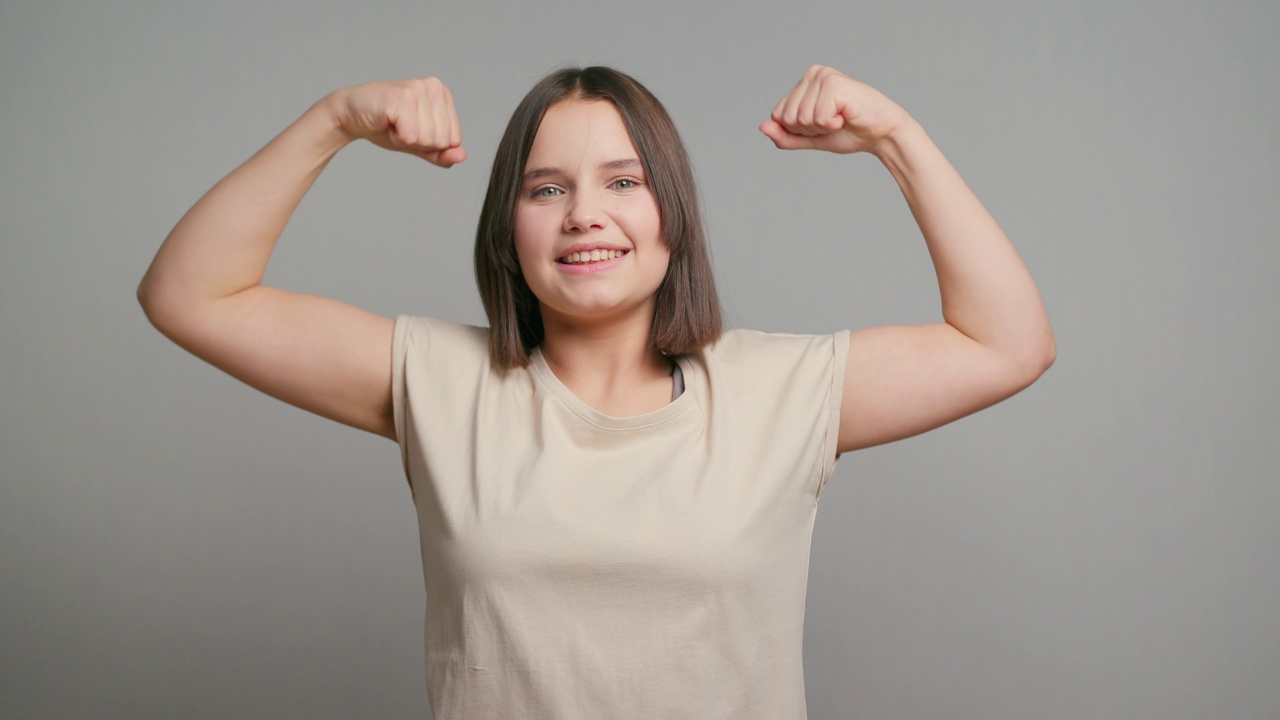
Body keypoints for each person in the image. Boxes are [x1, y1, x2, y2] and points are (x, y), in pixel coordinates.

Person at [138, 65, 1054, 719]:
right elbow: (188, 294)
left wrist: (898, 138)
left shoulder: (783, 391)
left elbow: (1009, 343)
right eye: (546, 188)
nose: (585, 213)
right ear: (509, 229)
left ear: (673, 218)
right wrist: (332, 119)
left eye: (624, 181)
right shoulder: (439, 383)